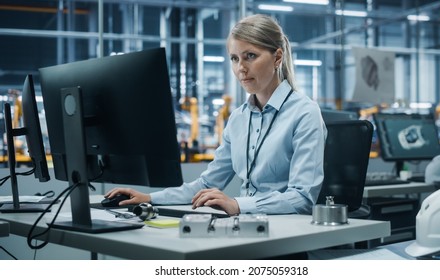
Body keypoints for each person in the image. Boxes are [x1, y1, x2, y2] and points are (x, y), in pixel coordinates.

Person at [105, 14, 327, 216]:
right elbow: (207, 183)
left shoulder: (304, 113)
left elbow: (301, 198)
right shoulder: (239, 118)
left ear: (277, 57)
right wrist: (149, 198)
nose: (241, 67)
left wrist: (239, 205)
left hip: (286, 233)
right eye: (234, 58)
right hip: (247, 227)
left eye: (250, 56)